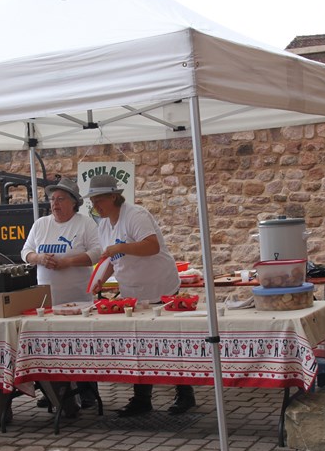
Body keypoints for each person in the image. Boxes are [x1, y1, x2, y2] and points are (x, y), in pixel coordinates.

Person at [87, 173, 196, 417]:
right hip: (132, 290)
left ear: (113, 197)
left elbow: (151, 245)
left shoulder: (135, 215)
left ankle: (185, 393)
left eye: (98, 201)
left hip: (160, 286)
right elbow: (113, 259)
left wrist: (121, 247)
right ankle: (142, 398)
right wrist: (100, 281)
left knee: (170, 342)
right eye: (93, 202)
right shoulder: (104, 225)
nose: (95, 206)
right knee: (139, 343)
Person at [21, 177, 102, 415]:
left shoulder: (85, 224)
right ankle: (54, 393)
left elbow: (97, 252)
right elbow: (25, 251)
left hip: (79, 298)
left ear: (74, 203)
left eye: (60, 199)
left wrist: (68, 262)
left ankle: (87, 393)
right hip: (48, 299)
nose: (54, 204)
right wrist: (39, 258)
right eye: (52, 199)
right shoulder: (41, 224)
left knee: (82, 345)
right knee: (50, 346)